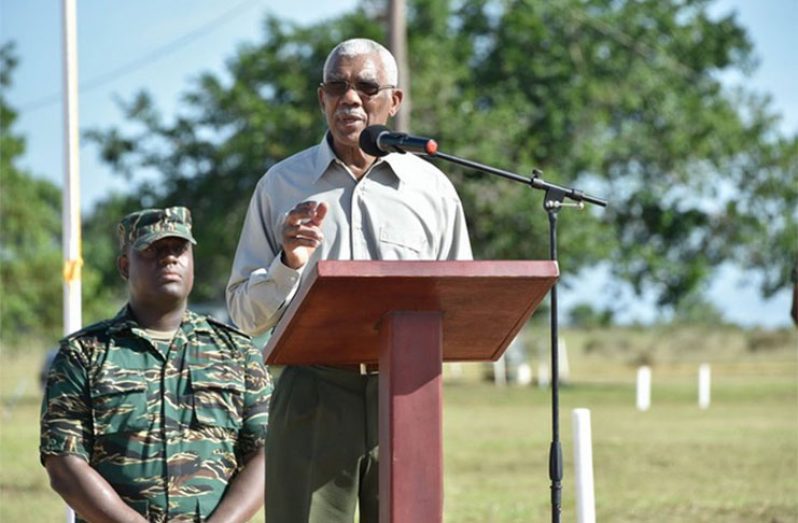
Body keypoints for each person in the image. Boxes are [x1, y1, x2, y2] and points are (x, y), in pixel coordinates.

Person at [226, 38, 472, 522]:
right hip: (314, 390)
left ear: (395, 101)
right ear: (322, 99)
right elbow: (243, 314)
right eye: (336, 86)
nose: (350, 98)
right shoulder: (282, 185)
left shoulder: (432, 189)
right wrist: (288, 262)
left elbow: (460, 300)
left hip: (406, 392)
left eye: (366, 86)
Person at [40, 207, 272, 523]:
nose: (168, 258)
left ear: (192, 261)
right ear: (124, 265)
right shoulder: (84, 354)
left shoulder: (237, 351)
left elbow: (266, 453)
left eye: (179, 248)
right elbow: (64, 462)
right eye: (152, 249)